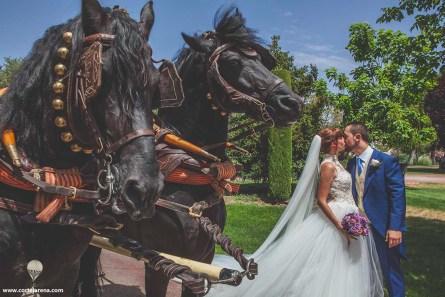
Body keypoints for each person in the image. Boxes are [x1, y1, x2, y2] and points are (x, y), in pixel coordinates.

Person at [210, 128, 384, 297]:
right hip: (335, 219)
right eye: (340, 138)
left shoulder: (337, 163)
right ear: (332, 143)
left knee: (346, 261)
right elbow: (321, 200)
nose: (343, 141)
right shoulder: (328, 166)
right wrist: (339, 226)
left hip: (347, 213)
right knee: (329, 262)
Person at [344, 123, 406, 297]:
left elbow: (397, 196)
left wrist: (395, 227)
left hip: (383, 227)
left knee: (391, 270)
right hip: (360, 227)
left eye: (346, 135)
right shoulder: (351, 163)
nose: (344, 139)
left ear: (357, 137)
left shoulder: (386, 161)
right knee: (364, 270)